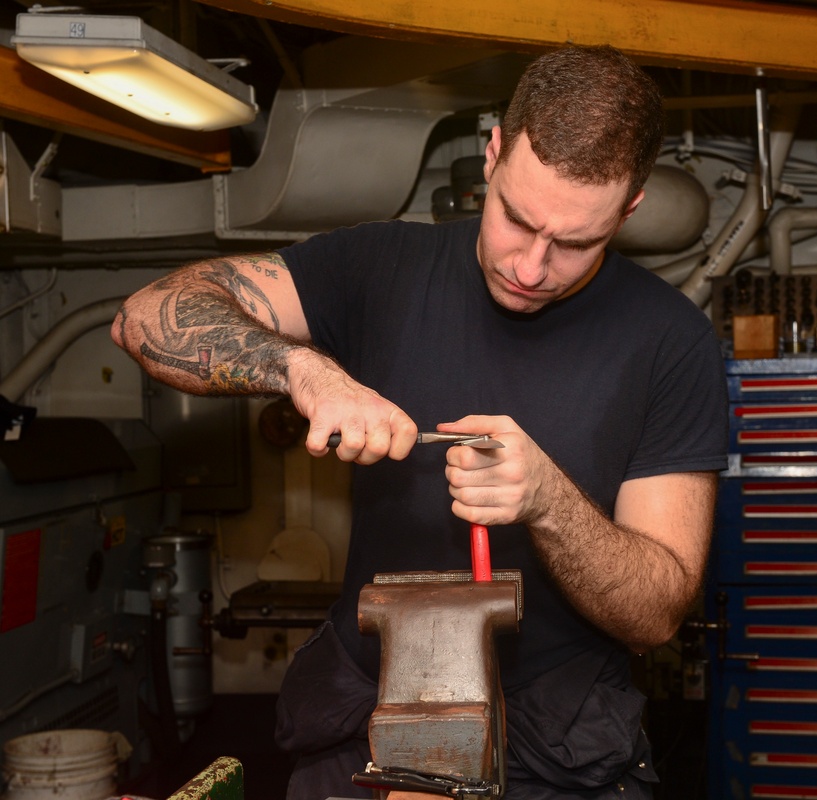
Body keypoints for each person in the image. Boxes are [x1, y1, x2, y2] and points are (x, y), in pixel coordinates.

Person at [112, 44, 728, 800]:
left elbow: (658, 612)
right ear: (493, 153)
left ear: (629, 209)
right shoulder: (379, 270)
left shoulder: (671, 343)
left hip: (561, 754)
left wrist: (547, 501)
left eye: (576, 243)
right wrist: (306, 371)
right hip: (363, 727)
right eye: (516, 219)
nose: (531, 267)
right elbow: (145, 320)